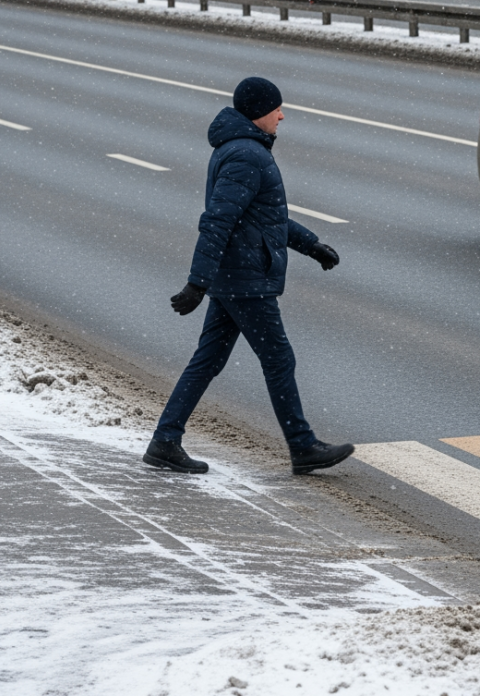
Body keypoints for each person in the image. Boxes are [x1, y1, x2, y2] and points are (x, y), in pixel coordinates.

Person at [143, 77, 354, 476]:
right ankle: (302, 445)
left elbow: (264, 218)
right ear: (259, 112)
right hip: (245, 279)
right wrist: (197, 283)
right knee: (278, 358)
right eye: (277, 108)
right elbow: (218, 221)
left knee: (207, 361)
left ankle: (165, 440)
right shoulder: (247, 156)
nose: (282, 115)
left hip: (235, 275)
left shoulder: (243, 150)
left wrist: (311, 245)